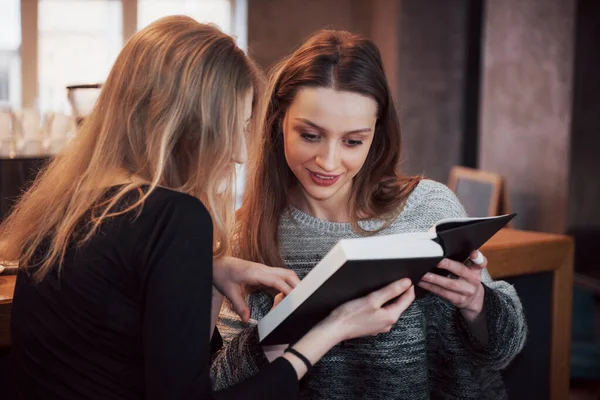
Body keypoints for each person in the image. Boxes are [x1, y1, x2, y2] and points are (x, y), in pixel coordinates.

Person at [0, 18, 416, 400]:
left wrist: (206, 266)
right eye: (233, 127)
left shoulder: (66, 205)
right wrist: (331, 331)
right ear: (182, 126)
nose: (238, 153)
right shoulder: (174, 218)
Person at [212, 30, 527, 400]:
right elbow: (220, 385)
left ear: (376, 134)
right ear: (279, 122)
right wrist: (280, 331)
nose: (328, 161)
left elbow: (504, 352)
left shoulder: (428, 207)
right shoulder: (243, 234)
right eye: (310, 135)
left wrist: (477, 302)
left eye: (353, 141)